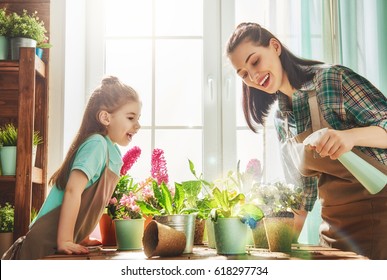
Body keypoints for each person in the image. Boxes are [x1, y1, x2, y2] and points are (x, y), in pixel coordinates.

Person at [226, 22, 387, 259]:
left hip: (380, 222)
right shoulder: (281, 120)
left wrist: (349, 137)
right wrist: (274, 250)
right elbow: (300, 202)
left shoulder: (332, 80)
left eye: (255, 61)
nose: (253, 76)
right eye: (244, 74)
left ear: (275, 47)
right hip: (333, 234)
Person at [2, 76, 141, 259]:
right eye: (131, 117)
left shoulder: (110, 150)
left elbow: (87, 201)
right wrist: (66, 239)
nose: (138, 125)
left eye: (138, 118)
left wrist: (80, 236)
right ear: (105, 117)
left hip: (53, 245)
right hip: (43, 245)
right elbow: (72, 191)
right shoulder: (97, 144)